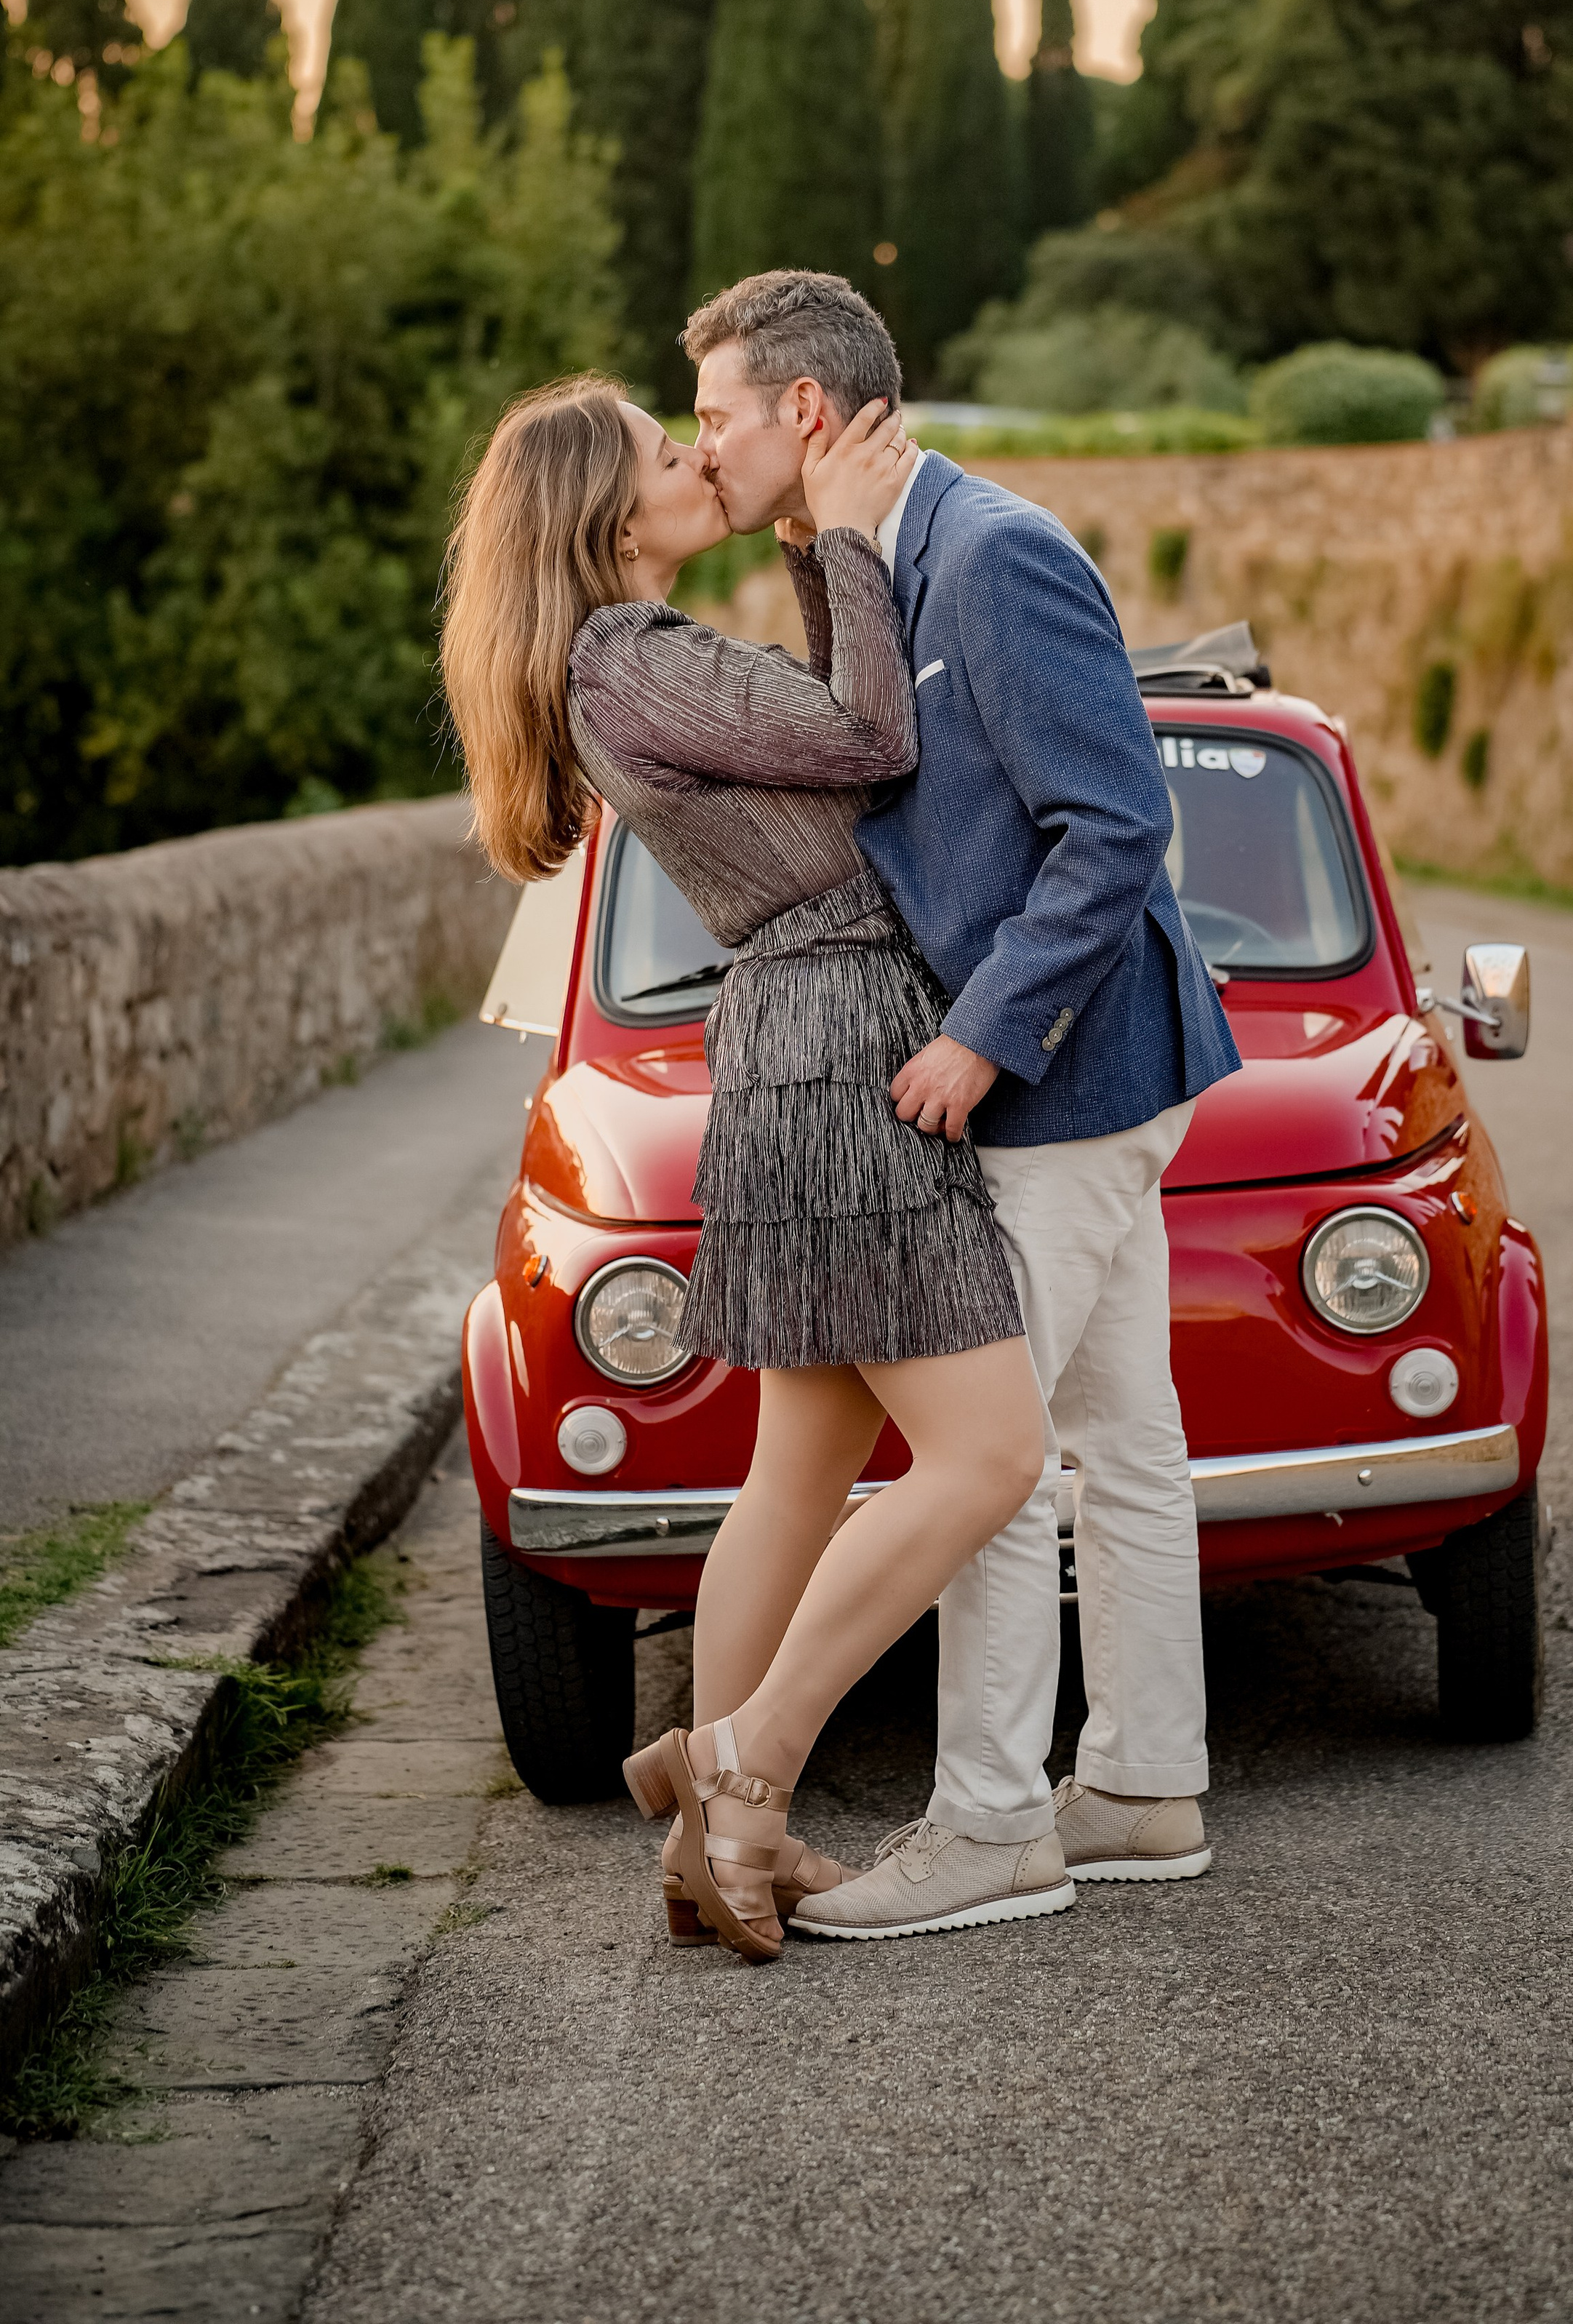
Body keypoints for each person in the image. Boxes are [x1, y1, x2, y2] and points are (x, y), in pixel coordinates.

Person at [441, 375, 1063, 1965]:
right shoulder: (627, 655)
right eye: (667, 451)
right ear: (608, 515)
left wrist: (806, 542)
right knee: (990, 1456)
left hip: (796, 1040)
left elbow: (803, 727)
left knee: (796, 1470)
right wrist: (848, 536)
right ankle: (744, 1760)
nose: (693, 454)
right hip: (840, 1042)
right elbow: (865, 731)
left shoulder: (620, 666)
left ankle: (731, 1841)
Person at [684, 271, 1242, 1942]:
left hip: (1068, 1075)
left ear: (802, 410)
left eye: (713, 415)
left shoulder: (991, 556)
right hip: (1102, 1075)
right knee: (1122, 1445)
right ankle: (1142, 1787)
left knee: (976, 1454)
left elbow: (1113, 824)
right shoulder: (853, 561)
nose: (698, 449)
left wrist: (984, 1041)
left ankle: (993, 1824)